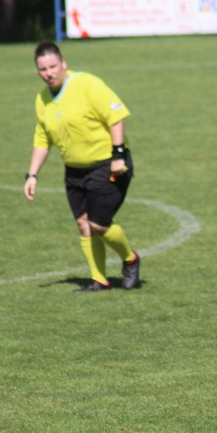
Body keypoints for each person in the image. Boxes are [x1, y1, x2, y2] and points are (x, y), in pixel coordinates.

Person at [23, 42, 140, 292]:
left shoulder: (87, 84)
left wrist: (118, 154)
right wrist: (32, 175)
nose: (49, 73)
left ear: (63, 63)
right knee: (83, 224)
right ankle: (99, 280)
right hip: (74, 171)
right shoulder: (42, 100)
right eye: (43, 69)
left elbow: (116, 116)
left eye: (53, 66)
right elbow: (42, 139)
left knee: (99, 224)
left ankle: (130, 259)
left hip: (109, 166)